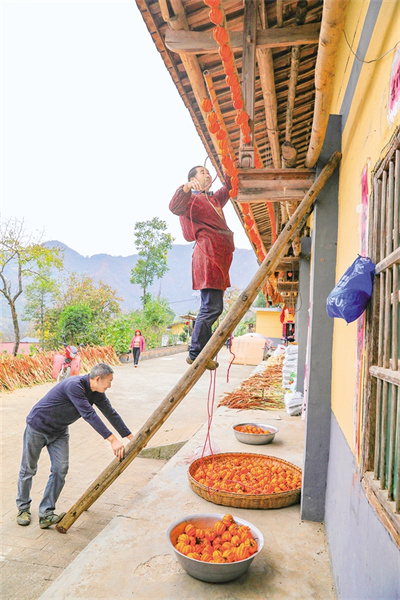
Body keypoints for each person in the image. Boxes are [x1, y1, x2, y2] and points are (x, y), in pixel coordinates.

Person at [16, 363, 133, 529]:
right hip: (38, 427)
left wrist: (130, 436)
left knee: (60, 469)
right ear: (98, 379)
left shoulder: (97, 393)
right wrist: (112, 440)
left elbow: (110, 413)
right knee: (28, 469)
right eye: (109, 381)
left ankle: (46, 513)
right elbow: (88, 414)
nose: (110, 385)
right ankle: (23, 509)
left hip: (59, 431)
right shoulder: (74, 385)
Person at [169, 165, 234, 370]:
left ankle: (200, 352)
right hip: (208, 254)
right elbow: (174, 207)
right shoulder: (191, 199)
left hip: (218, 255)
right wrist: (187, 187)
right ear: (193, 179)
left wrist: (228, 169)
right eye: (202, 172)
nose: (207, 174)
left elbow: (228, 188)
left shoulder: (213, 200)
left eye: (208, 172)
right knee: (211, 307)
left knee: (213, 307)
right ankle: (196, 353)